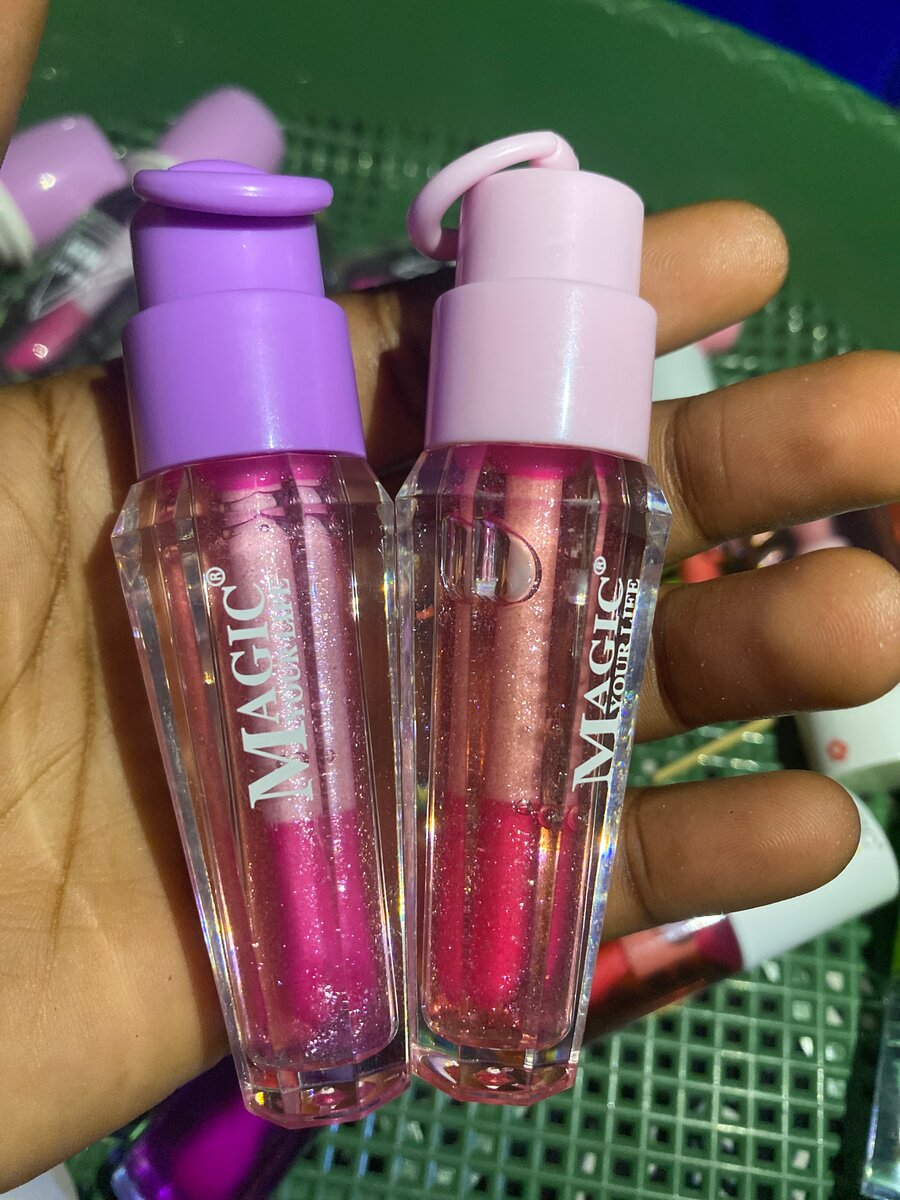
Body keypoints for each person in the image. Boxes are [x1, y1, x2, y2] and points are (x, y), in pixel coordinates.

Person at [1, 1, 898, 1190]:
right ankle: (351, 1030)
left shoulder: (520, 487)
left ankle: (455, 1022)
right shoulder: (265, 503)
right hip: (279, 968)